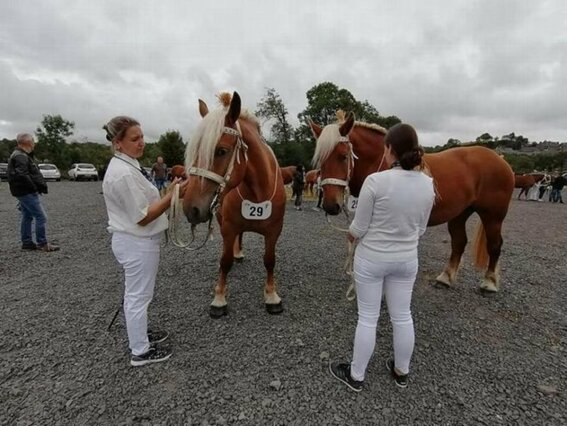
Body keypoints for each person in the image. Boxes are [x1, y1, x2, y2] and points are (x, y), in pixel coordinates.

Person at [329, 123, 435, 391]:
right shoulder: (428, 184)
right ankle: (401, 371)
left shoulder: (375, 181)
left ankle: (356, 376)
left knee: (368, 317)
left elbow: (360, 228)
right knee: (402, 316)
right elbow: (421, 229)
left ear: (389, 149)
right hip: (407, 259)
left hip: (373, 259)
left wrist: (350, 234)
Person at [102, 116, 188, 367]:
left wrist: (169, 191)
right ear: (118, 143)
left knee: (138, 294)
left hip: (137, 241)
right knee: (138, 296)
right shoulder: (123, 174)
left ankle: (139, 334)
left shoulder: (128, 165)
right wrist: (173, 194)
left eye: (142, 137)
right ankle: (140, 350)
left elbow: (145, 203)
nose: (142, 143)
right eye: (134, 139)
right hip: (136, 241)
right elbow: (142, 217)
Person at [7, 133, 59, 252]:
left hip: (21, 191)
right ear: (28, 143)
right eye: (33, 141)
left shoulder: (20, 154)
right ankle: (42, 243)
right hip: (27, 192)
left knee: (27, 216)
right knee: (41, 217)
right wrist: (34, 188)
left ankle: (27, 242)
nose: (34, 143)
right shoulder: (21, 156)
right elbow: (23, 174)